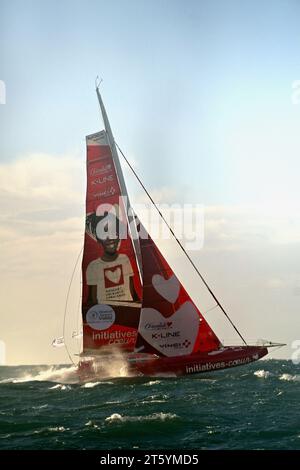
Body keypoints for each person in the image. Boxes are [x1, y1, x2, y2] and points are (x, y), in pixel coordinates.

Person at [86, 210, 140, 305]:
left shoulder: (125, 259)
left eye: (113, 232)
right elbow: (91, 300)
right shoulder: (93, 266)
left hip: (129, 313)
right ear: (98, 238)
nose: (110, 237)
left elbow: (133, 293)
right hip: (106, 316)